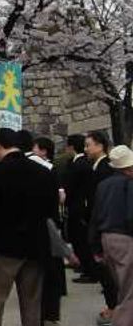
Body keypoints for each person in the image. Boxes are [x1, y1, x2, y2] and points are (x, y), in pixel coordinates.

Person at [0, 128, 59, 326]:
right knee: (32, 304)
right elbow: (51, 211)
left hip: (2, 247)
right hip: (35, 246)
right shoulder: (43, 172)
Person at [89, 145, 133, 326]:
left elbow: (95, 216)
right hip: (125, 238)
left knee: (122, 286)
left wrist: (95, 246)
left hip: (106, 238)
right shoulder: (129, 184)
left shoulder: (103, 185)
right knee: (130, 290)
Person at [32, 136, 68, 326]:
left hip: (48, 221)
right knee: (54, 261)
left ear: (44, 150)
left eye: (35, 148)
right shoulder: (49, 169)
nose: (33, 151)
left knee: (51, 262)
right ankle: (52, 308)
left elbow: (59, 195)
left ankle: (49, 312)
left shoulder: (48, 169)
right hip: (51, 220)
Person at [84, 130, 118, 325]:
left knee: (108, 271)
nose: (86, 149)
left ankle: (114, 307)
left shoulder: (105, 169)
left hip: (104, 226)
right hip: (99, 224)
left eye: (89, 145)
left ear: (100, 145)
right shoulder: (98, 167)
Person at [63, 134, 94, 280]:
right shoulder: (84, 163)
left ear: (71, 147)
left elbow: (71, 187)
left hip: (78, 207)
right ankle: (87, 268)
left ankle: (89, 270)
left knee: (80, 240)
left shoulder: (78, 165)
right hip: (81, 206)